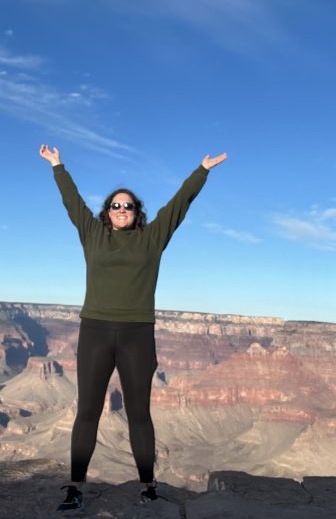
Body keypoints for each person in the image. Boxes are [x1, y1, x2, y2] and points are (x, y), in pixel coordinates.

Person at [38, 144, 227, 511]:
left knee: (139, 413)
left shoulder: (152, 239)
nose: (121, 209)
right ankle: (75, 487)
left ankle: (148, 486)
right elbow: (71, 202)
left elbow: (179, 204)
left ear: (137, 212)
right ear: (106, 212)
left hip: (137, 335)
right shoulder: (92, 234)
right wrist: (57, 165)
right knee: (88, 411)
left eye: (128, 205)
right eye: (115, 205)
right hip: (94, 332)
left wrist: (201, 170)